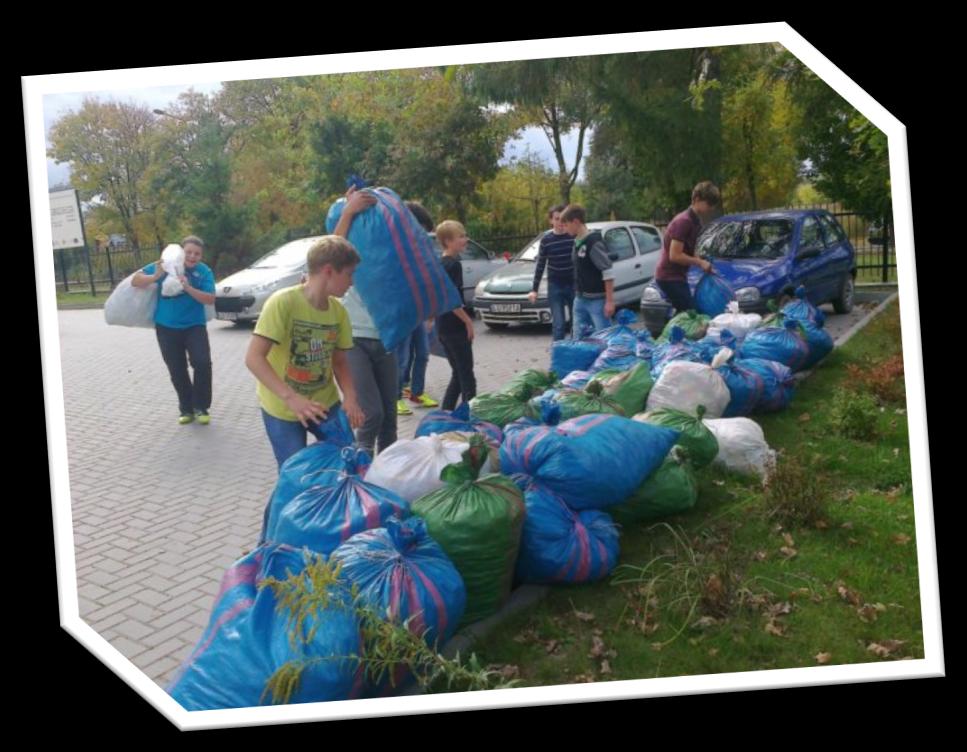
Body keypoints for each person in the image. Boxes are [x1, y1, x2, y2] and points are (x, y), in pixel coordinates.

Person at [244, 235, 366, 470]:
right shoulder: (283, 302)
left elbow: (339, 361)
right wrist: (292, 398)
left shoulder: (338, 311)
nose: (352, 282)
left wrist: (350, 397)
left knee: (348, 462)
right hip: (283, 407)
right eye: (349, 274)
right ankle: (282, 508)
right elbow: (253, 358)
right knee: (295, 476)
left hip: (324, 403)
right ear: (329, 271)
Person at [132, 235, 216, 425]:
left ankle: (201, 406)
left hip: (194, 325)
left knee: (202, 363)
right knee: (177, 369)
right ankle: (186, 408)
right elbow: (135, 280)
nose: (192, 257)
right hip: (166, 327)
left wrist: (187, 287)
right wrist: (155, 276)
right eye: (189, 252)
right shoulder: (167, 263)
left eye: (197, 254)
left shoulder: (204, 272)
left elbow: (210, 298)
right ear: (181, 251)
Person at [395, 201, 440, 415]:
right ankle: (395, 397)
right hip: (401, 312)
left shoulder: (419, 249)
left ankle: (416, 392)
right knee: (402, 358)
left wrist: (430, 312)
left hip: (418, 312)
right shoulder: (394, 247)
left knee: (422, 353)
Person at [654, 181, 722, 314]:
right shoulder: (684, 221)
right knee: (690, 314)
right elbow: (674, 255)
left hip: (678, 276)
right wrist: (699, 262)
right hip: (668, 277)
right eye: (709, 204)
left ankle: (673, 333)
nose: (711, 209)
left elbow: (688, 251)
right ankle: (671, 334)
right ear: (697, 199)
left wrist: (703, 263)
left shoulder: (696, 221)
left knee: (685, 313)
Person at [434, 220, 477, 411]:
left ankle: (446, 412)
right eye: (460, 236)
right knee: (467, 376)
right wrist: (467, 321)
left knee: (458, 375)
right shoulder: (453, 265)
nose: (465, 239)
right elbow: (451, 299)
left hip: (443, 326)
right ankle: (472, 415)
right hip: (455, 326)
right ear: (447, 241)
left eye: (464, 235)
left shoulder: (439, 263)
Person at [560, 204, 614, 334]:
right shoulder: (576, 242)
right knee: (578, 339)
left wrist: (609, 301)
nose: (565, 229)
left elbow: (608, 272)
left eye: (566, 225)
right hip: (579, 299)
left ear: (576, 222)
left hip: (597, 301)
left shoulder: (593, 242)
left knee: (603, 338)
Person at [528, 204, 575, 341]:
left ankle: (575, 352)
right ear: (551, 221)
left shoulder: (572, 237)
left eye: (563, 219)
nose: (560, 222)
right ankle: (559, 355)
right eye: (557, 219)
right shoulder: (546, 240)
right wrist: (534, 289)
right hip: (555, 286)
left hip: (573, 284)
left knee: (576, 322)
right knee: (559, 324)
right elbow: (541, 265)